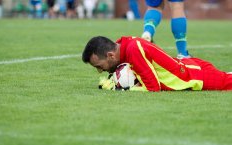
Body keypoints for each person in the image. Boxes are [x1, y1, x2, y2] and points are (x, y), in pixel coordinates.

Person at [82, 36, 232, 91]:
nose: (99, 71)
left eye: (99, 66)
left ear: (110, 55)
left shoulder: (133, 50)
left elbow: (153, 88)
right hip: (188, 66)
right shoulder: (122, 46)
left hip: (195, 76)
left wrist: (124, 89)